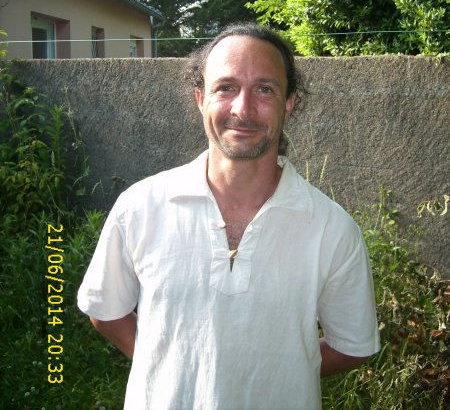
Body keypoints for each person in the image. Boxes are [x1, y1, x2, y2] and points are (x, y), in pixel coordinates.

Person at [78, 22, 380, 409]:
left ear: (289, 103)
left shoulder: (333, 229)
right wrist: (171, 368)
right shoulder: (139, 207)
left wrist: (274, 372)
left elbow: (353, 346)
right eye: (226, 87)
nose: (243, 109)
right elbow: (106, 310)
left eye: (265, 89)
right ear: (200, 98)